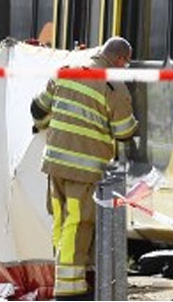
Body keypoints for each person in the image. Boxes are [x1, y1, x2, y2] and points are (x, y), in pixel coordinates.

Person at [30, 36, 138, 300]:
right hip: (85, 169)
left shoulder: (66, 71)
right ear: (120, 59)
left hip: (54, 164)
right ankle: (70, 289)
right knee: (78, 224)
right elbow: (124, 132)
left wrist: (48, 123)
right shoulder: (114, 85)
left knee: (61, 221)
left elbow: (38, 109)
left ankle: (66, 278)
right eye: (126, 63)